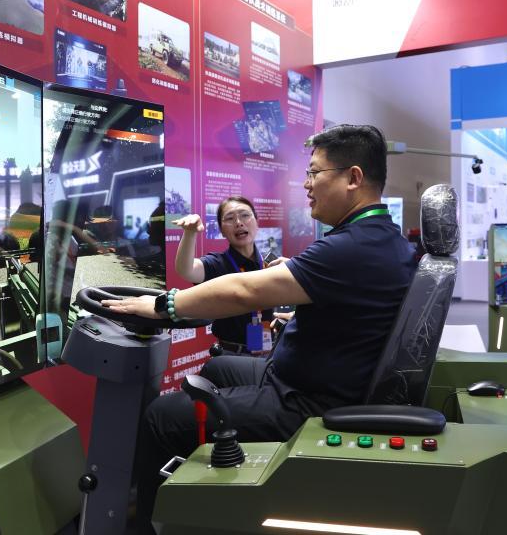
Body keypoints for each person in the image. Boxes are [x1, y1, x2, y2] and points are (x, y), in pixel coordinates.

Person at [102, 124, 416, 534]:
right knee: (216, 369)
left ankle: (149, 525)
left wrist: (165, 306)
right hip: (307, 376)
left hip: (306, 403)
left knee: (161, 416)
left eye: (315, 173)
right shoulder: (377, 238)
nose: (307, 184)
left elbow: (242, 291)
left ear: (353, 178)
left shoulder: (351, 247)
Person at [172, 196, 274, 353]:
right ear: (221, 230)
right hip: (231, 355)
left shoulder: (270, 264)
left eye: (245, 215)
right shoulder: (217, 263)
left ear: (256, 222)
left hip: (268, 352)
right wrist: (190, 233)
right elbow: (186, 270)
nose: (239, 222)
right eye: (230, 218)